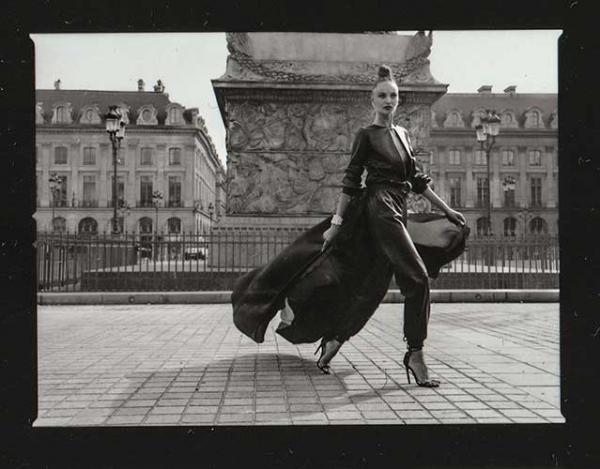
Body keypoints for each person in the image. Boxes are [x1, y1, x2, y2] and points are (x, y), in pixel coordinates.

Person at [232, 65, 468, 388]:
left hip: (398, 208)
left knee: (372, 285)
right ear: (372, 100)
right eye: (382, 95)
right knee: (417, 277)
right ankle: (415, 353)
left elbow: (417, 181)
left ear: (399, 99)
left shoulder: (403, 135)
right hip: (379, 208)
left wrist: (448, 210)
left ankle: (335, 338)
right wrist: (336, 224)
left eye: (393, 95)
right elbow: (350, 181)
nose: (388, 100)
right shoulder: (366, 136)